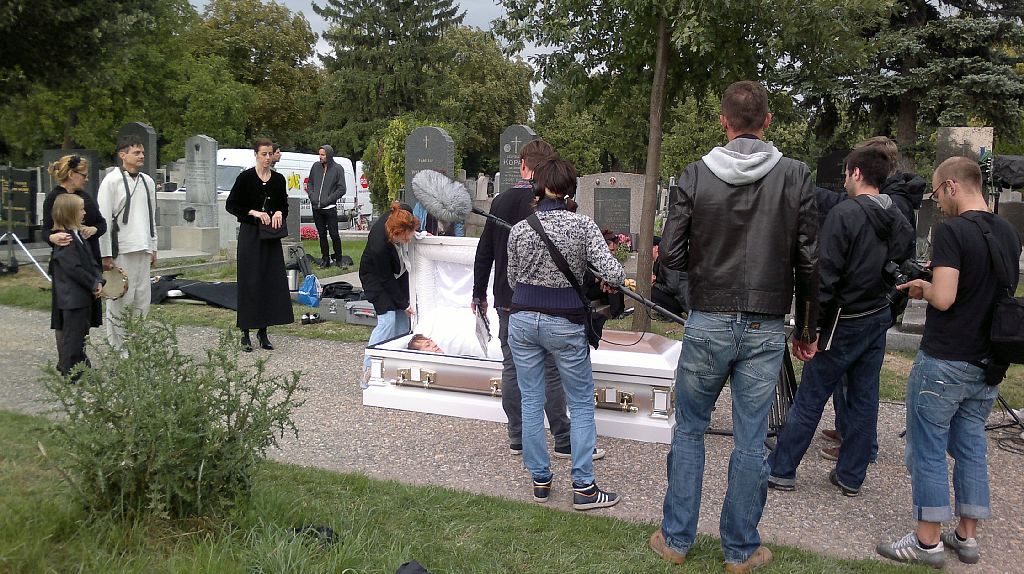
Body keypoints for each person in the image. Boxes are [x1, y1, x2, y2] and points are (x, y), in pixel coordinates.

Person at [650, 80, 819, 572]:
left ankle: (676, 540)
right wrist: (807, 328)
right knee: (749, 439)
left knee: (690, 431)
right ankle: (740, 549)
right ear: (767, 121)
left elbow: (671, 253)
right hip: (764, 324)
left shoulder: (695, 175)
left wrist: (696, 300)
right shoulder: (795, 175)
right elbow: (810, 261)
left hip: (710, 318)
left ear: (724, 121)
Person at [876, 157, 1021, 568]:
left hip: (946, 359)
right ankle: (967, 535)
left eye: (937, 193)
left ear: (953, 186)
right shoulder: (1008, 232)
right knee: (971, 445)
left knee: (928, 448)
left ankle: (926, 542)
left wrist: (922, 287)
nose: (937, 202)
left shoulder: (953, 231)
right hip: (988, 361)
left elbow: (944, 298)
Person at [767, 146, 914, 497]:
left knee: (811, 395)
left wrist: (809, 329)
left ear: (857, 173)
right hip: (875, 318)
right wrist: (888, 311)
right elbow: (904, 273)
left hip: (843, 321)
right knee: (864, 398)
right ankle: (851, 474)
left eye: (847, 172)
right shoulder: (899, 218)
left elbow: (825, 277)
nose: (845, 179)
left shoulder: (845, 214)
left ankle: (782, 467)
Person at [506, 158, 625, 511]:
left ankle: (540, 479)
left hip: (522, 320)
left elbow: (512, 279)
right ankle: (584, 487)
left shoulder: (520, 229)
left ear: (537, 187)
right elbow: (614, 274)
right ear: (571, 189)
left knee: (531, 400)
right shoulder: (583, 226)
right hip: (565, 322)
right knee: (581, 403)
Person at [472, 139, 577, 460]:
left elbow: (485, 251)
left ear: (522, 164)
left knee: (512, 368)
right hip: (547, 298)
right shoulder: (550, 201)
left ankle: (517, 435)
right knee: (551, 370)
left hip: (508, 297)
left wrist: (479, 292)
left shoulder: (501, 201)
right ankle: (562, 438)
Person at [824, 136, 925, 460]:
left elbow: (894, 256)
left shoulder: (892, 204)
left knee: (858, 384)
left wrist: (884, 298)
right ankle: (848, 432)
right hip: (868, 304)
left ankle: (860, 446)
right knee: (852, 381)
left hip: (868, 305)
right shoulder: (883, 201)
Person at [225, 138, 294, 352]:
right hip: (251, 234)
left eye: (270, 154)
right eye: (263, 154)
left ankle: (263, 331)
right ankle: (245, 332)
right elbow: (232, 205)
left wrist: (280, 212)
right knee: (249, 281)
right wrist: (253, 212)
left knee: (268, 281)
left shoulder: (278, 179)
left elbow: (283, 204)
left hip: (270, 236)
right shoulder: (245, 178)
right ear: (256, 154)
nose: (267, 158)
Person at [43, 155, 106, 367]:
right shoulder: (55, 198)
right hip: (68, 262)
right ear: (71, 174)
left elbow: (101, 224)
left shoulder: (84, 198)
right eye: (83, 175)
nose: (86, 179)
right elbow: (46, 229)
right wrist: (52, 237)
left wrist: (93, 229)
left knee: (84, 315)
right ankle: (68, 362)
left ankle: (79, 358)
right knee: (68, 317)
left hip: (87, 257)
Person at [97, 135, 158, 350]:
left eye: (142, 153)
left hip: (143, 247)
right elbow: (104, 218)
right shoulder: (111, 181)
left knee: (142, 299)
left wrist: (153, 246)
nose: (141, 156)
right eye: (136, 152)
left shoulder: (147, 182)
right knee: (120, 298)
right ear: (123, 155)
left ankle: (136, 345)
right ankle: (118, 347)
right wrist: (105, 254)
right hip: (121, 248)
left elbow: (151, 217)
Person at [359, 201, 419, 387]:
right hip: (375, 277)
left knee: (403, 320)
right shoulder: (379, 244)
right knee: (388, 320)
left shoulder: (404, 213)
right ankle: (369, 369)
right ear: (395, 233)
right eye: (405, 238)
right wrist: (403, 303)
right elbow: (385, 279)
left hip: (398, 273)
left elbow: (406, 212)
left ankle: (398, 365)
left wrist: (419, 233)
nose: (408, 240)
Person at [49, 193, 104, 379]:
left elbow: (90, 261)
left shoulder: (78, 235)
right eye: (81, 210)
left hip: (82, 296)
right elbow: (74, 268)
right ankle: (71, 372)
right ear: (70, 213)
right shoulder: (65, 240)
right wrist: (92, 283)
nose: (84, 213)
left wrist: (98, 279)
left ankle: (81, 369)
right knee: (73, 338)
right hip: (73, 297)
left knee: (81, 335)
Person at [306, 144, 346, 268]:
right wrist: (312, 196)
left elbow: (342, 188)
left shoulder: (337, 169)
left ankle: (339, 259)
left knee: (334, 234)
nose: (320, 157)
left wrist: (329, 199)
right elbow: (310, 183)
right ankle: (325, 259)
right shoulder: (315, 167)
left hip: (329, 208)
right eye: (320, 154)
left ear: (329, 155)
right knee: (322, 235)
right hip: (316, 208)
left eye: (323, 155)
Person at [650, 235, 689, 319]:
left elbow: (672, 287)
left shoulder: (667, 263)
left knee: (651, 291)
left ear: (656, 248)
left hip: (681, 299)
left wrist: (655, 284)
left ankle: (672, 315)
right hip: (676, 297)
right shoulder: (658, 263)